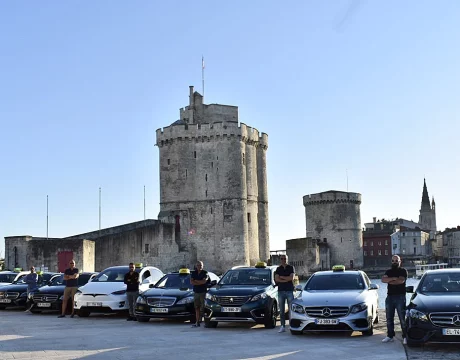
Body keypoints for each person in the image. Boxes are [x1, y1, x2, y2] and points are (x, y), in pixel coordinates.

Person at [381, 255, 408, 344]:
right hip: (390, 297)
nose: (395, 262)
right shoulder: (388, 271)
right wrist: (393, 278)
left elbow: (401, 281)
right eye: (393, 261)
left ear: (400, 261)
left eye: (396, 260)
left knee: (402, 318)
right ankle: (390, 336)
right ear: (391, 261)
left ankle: (405, 336)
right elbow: (383, 280)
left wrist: (390, 281)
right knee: (389, 318)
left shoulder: (403, 271)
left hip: (400, 297)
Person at [275, 255, 295, 333]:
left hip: (289, 291)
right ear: (280, 260)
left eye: (285, 258)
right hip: (281, 291)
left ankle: (291, 325)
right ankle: (282, 326)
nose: (283, 260)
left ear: (287, 259)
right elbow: (276, 279)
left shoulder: (291, 267)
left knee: (291, 310)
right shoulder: (278, 269)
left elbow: (291, 278)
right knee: (281, 310)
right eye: (282, 259)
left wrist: (282, 277)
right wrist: (286, 279)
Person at [190, 261, 209, 328]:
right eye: (198, 265)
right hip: (196, 292)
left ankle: (205, 322)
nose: (199, 266)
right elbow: (192, 282)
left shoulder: (205, 273)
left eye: (200, 265)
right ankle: (197, 321)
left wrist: (196, 281)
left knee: (203, 307)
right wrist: (199, 282)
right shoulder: (194, 273)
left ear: (202, 266)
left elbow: (204, 281)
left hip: (203, 292)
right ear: (196, 266)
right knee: (197, 307)